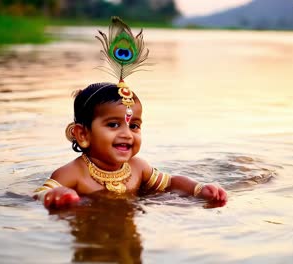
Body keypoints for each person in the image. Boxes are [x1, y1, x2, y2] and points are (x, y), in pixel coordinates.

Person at [33, 17, 227, 208]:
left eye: (134, 125)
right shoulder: (73, 174)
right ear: (82, 134)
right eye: (113, 124)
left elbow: (170, 183)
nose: (127, 134)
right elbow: (39, 194)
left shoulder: (138, 167)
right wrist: (54, 195)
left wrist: (199, 189)